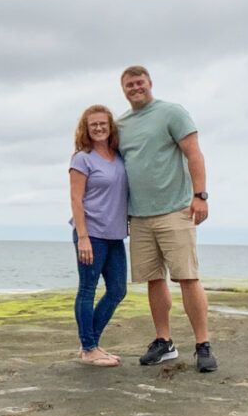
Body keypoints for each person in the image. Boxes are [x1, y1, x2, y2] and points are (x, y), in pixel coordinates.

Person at [117, 66, 217, 373]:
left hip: (175, 210)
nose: (135, 87)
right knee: (154, 279)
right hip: (140, 216)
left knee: (187, 277)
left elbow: (194, 153)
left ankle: (203, 344)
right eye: (129, 84)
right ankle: (164, 342)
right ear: (123, 89)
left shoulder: (172, 112)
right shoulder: (120, 124)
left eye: (139, 82)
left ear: (149, 83)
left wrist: (200, 196)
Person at [69, 105, 129, 367]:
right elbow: (75, 198)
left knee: (117, 290)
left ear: (110, 126)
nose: (99, 128)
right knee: (87, 290)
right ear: (86, 128)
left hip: (115, 235)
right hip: (91, 233)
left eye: (103, 123)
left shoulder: (118, 156)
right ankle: (89, 348)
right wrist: (82, 237)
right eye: (93, 124)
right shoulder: (82, 158)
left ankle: (90, 344)